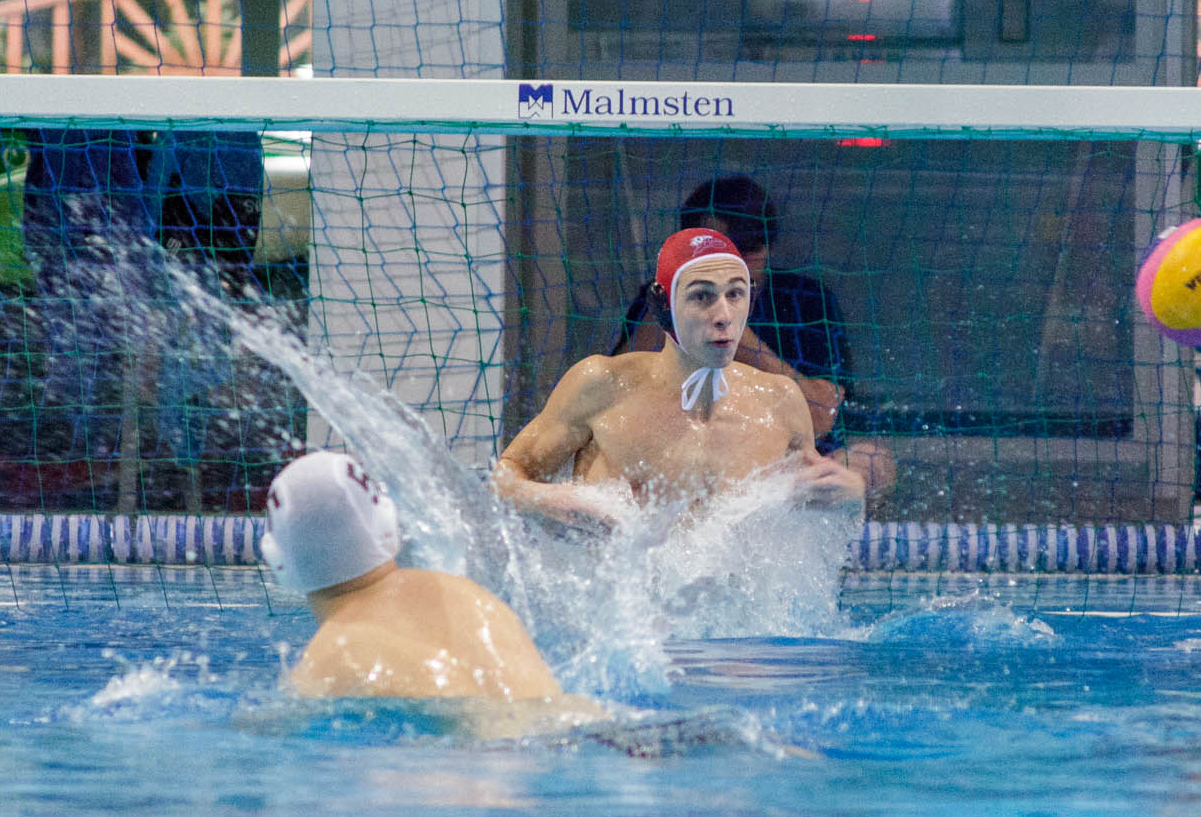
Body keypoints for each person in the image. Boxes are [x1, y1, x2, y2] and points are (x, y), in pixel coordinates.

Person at [492, 225, 864, 533]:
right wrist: (549, 499)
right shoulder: (602, 385)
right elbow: (505, 478)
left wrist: (851, 497)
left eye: (735, 294)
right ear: (663, 304)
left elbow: (810, 518)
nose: (724, 315)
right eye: (702, 296)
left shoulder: (778, 402)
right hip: (620, 599)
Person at [611, 176, 896, 504]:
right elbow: (616, 400)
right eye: (716, 252)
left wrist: (739, 338)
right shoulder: (668, 301)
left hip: (786, 464)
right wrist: (671, 310)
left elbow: (822, 417)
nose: (737, 263)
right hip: (694, 454)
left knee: (875, 461)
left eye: (748, 249)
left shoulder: (805, 301)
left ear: (768, 247)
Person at [263, 449, 603, 715]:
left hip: (488, 769)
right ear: (388, 526)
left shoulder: (324, 663)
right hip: (586, 726)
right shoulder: (465, 593)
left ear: (279, 562)